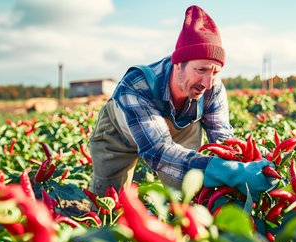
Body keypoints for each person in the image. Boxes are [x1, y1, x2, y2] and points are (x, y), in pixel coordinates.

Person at [89, 5, 279, 199]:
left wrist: (242, 167)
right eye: (201, 70)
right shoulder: (137, 85)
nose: (207, 83)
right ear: (178, 64)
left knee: (189, 194)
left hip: (176, 132)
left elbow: (222, 141)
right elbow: (158, 152)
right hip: (118, 137)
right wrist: (231, 172)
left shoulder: (213, 88)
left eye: (215, 72)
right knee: (108, 204)